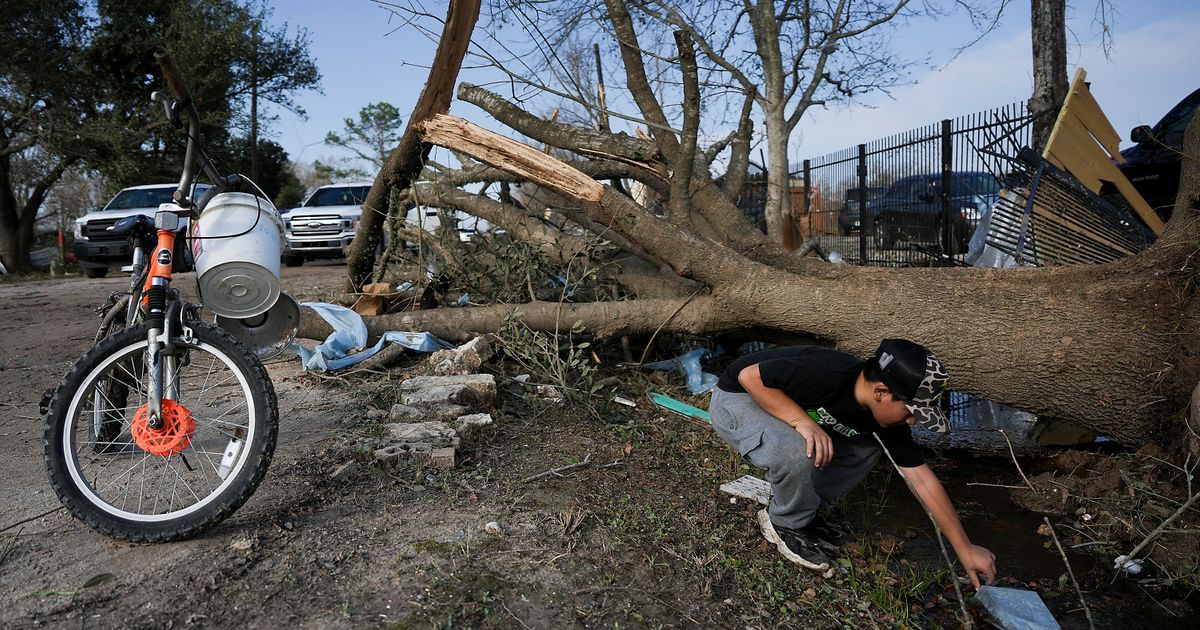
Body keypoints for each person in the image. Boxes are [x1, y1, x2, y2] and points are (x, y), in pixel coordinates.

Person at [708, 339, 996, 589]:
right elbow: (749, 377)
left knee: (867, 446)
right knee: (798, 448)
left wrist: (964, 547)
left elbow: (922, 479)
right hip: (738, 399)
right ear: (881, 392)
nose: (912, 421)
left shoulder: (884, 419)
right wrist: (802, 423)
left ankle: (806, 508)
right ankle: (785, 523)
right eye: (911, 411)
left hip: (778, 406)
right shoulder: (828, 373)